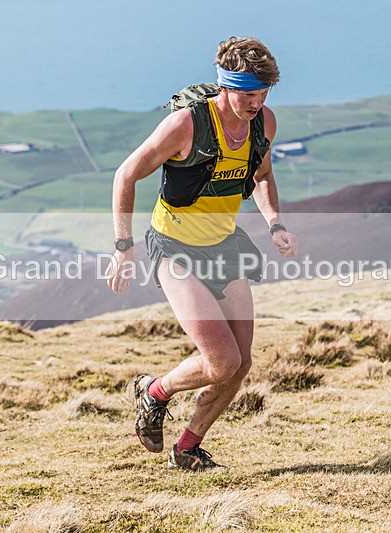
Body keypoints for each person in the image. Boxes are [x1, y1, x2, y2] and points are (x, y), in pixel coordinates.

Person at [106, 36, 298, 471]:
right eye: (249, 93)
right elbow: (125, 175)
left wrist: (275, 224)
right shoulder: (186, 125)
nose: (257, 102)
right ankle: (154, 391)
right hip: (174, 247)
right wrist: (123, 246)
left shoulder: (263, 122)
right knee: (221, 360)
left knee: (241, 363)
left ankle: (187, 447)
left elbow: (263, 174)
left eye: (265, 92)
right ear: (225, 86)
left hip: (224, 246)